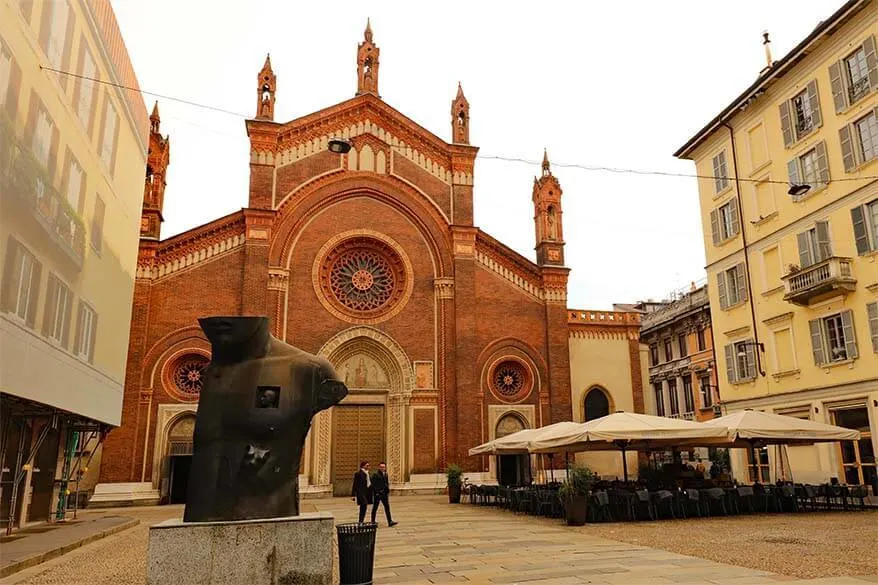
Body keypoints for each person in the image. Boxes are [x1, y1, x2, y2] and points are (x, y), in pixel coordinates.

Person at [370, 462, 398, 527]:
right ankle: (373, 522)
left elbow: (386, 483)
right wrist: (376, 492)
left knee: (387, 507)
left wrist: (387, 490)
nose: (383, 468)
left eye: (384, 467)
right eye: (381, 467)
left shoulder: (385, 474)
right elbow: (373, 485)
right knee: (375, 508)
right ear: (379, 467)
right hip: (378, 494)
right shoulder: (375, 474)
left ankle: (390, 521)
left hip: (384, 494)